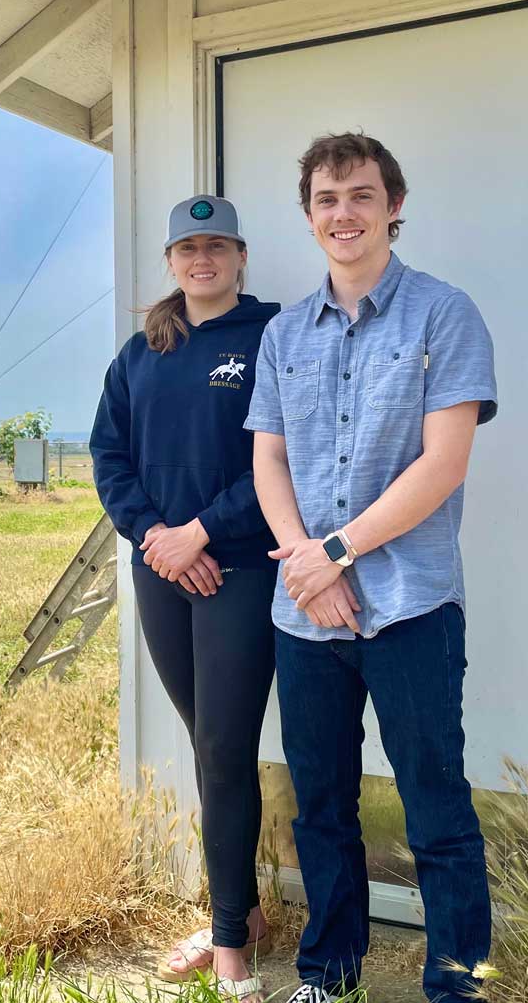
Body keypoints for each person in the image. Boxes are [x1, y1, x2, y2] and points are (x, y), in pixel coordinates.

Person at [245, 133, 498, 1003]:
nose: (343, 212)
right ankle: (330, 973)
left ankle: (458, 982)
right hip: (305, 615)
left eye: (360, 195)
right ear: (309, 216)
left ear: (393, 205)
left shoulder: (444, 313)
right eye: (325, 198)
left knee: (436, 809)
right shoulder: (283, 334)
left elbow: (443, 462)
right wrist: (307, 565)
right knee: (322, 806)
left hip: (412, 606)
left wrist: (339, 552)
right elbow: (268, 460)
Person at [90, 195, 279, 1003]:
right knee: (208, 745)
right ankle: (245, 910)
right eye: (187, 247)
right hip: (163, 574)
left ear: (239, 255)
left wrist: (201, 531)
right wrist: (161, 542)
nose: (201, 259)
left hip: (240, 570)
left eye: (216, 245)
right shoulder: (141, 353)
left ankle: (231, 942)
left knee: (224, 750)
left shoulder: (272, 338)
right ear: (170, 262)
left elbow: (284, 455)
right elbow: (109, 457)